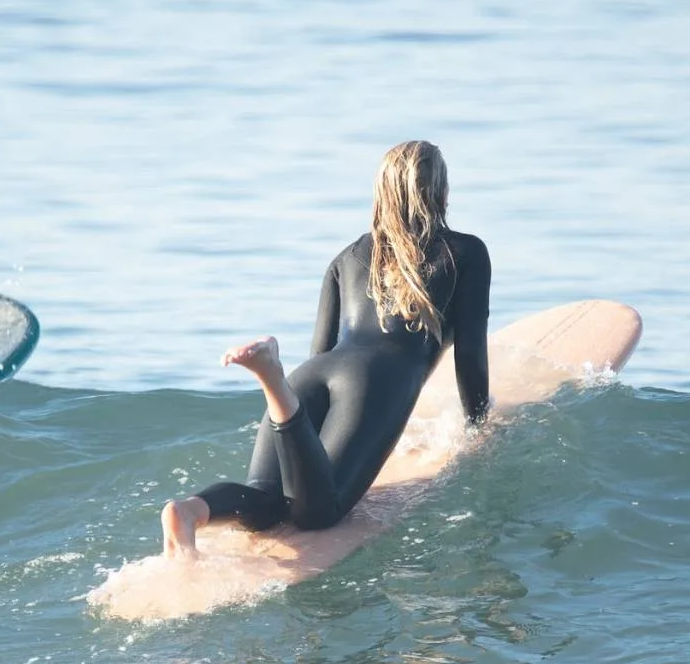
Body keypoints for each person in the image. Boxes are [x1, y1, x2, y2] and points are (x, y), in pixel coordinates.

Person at [160, 140, 491, 557]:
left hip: (311, 375)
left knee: (265, 498)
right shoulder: (465, 252)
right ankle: (270, 377)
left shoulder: (347, 256)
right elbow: (471, 358)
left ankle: (191, 509)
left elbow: (320, 350)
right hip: (374, 381)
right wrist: (478, 427)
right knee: (318, 513)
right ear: (441, 192)